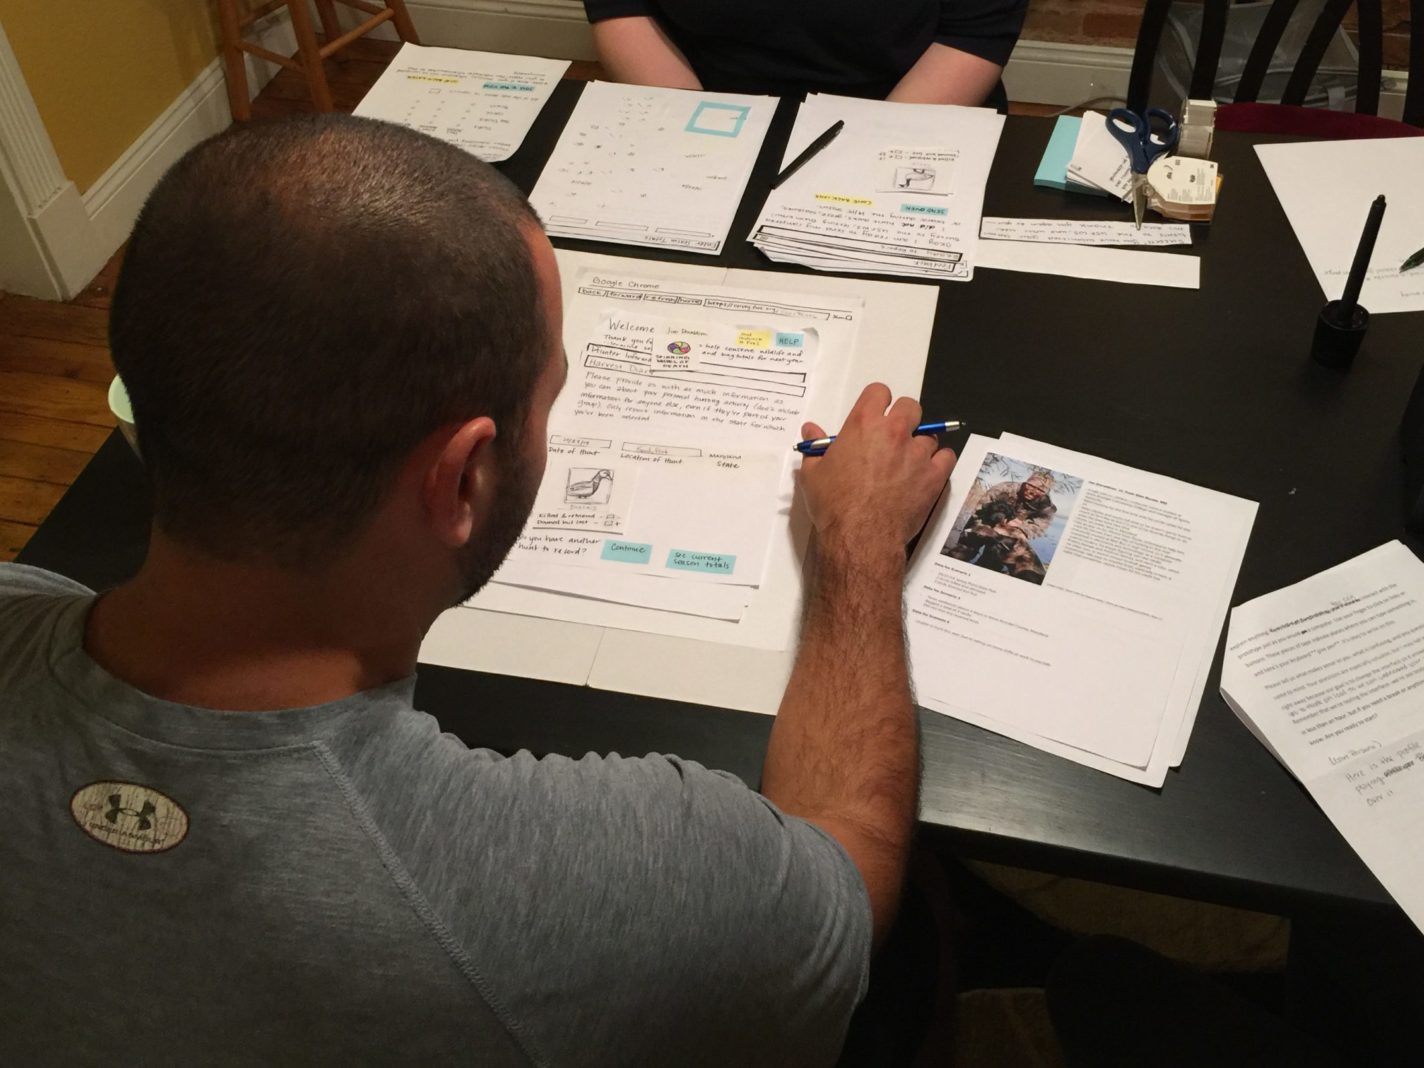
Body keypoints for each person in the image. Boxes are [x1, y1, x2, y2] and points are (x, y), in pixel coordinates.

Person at [0, 114, 955, 1064]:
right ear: (462, 480)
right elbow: (850, 876)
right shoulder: (627, 875)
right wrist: (860, 537)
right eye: (551, 395)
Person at [582, 0, 1030, 110]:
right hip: (704, 106)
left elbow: (975, 31)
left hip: (901, 111)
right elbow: (622, 7)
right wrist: (697, 136)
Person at [943, 471, 1055, 582]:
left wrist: (1016, 528)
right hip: (984, 522)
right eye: (1030, 485)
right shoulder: (1005, 488)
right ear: (1026, 482)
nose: (1032, 491)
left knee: (991, 564)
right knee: (960, 553)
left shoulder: (1047, 508)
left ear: (1045, 493)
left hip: (1009, 533)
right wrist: (984, 526)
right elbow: (980, 508)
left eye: (1039, 490)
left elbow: (1037, 528)